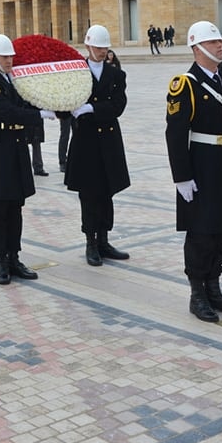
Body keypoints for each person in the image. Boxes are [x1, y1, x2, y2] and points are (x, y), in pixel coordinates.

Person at [165, 21, 222, 322]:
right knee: (201, 233)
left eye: (221, 41)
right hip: (202, 168)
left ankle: (214, 288)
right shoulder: (185, 84)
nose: (221, 45)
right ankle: (197, 294)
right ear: (197, 47)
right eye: (214, 42)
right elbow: (175, 134)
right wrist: (182, 177)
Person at [0, 33, 57, 285]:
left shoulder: (14, 80)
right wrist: (38, 115)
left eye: (10, 56)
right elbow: (7, 112)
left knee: (15, 207)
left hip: (16, 149)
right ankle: (1, 260)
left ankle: (14, 256)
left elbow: (25, 103)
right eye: (4, 56)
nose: (9, 60)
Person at [64, 25, 131, 266]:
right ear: (88, 46)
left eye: (105, 48)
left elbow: (118, 106)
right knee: (89, 194)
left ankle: (104, 239)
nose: (102, 52)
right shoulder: (76, 72)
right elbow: (66, 103)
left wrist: (92, 108)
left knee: (106, 192)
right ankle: (91, 241)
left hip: (109, 140)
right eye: (98, 47)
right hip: (86, 142)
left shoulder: (115, 75)